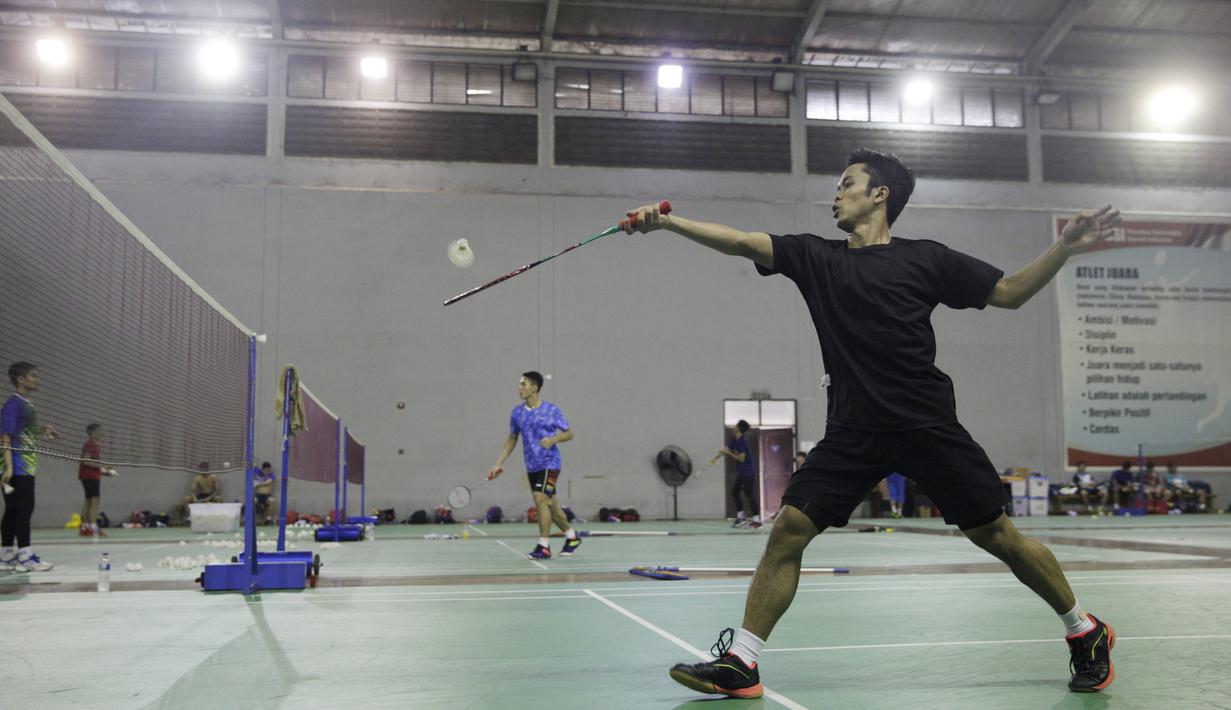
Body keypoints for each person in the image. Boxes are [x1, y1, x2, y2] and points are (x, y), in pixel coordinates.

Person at [623, 149, 1121, 697]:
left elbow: (1010, 293)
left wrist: (1064, 246)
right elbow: (742, 241)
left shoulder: (926, 259)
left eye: (847, 184)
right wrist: (668, 223)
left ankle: (1085, 630)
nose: (836, 194)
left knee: (998, 536)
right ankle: (743, 662)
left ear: (879, 194)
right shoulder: (816, 257)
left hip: (926, 423)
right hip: (854, 430)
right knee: (789, 529)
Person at [489, 371, 581, 559]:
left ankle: (543, 547)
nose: (519, 388)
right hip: (532, 466)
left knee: (540, 498)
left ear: (535, 388)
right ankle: (572, 537)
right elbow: (512, 439)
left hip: (550, 463)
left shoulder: (551, 410)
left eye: (523, 384)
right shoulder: (517, 413)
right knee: (551, 505)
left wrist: (554, 439)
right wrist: (497, 464)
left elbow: (570, 433)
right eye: (520, 384)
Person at [1, 362, 58, 572]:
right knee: (24, 508)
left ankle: (6, 555)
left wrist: (43, 430)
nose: (37, 379)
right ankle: (25, 556)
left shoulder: (27, 404)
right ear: (21, 380)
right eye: (33, 376)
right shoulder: (13, 404)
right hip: (16, 466)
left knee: (13, 509)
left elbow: (23, 431)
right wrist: (8, 468)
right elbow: (5, 436)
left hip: (24, 465)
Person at [710, 420, 759, 527]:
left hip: (748, 472)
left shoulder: (742, 442)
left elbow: (741, 458)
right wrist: (715, 458)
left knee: (749, 494)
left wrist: (729, 453)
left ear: (738, 428)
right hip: (742, 472)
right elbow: (726, 449)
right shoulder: (735, 440)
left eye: (736, 425)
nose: (734, 427)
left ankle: (757, 520)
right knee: (734, 492)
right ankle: (741, 517)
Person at [78, 423, 113, 537]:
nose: (101, 434)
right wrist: (102, 465)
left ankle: (85, 527)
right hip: (89, 476)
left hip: (90, 476)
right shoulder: (90, 444)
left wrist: (104, 471)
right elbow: (86, 461)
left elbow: (93, 463)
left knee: (88, 501)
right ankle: (93, 528)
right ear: (93, 433)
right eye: (99, 431)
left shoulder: (95, 445)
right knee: (95, 501)